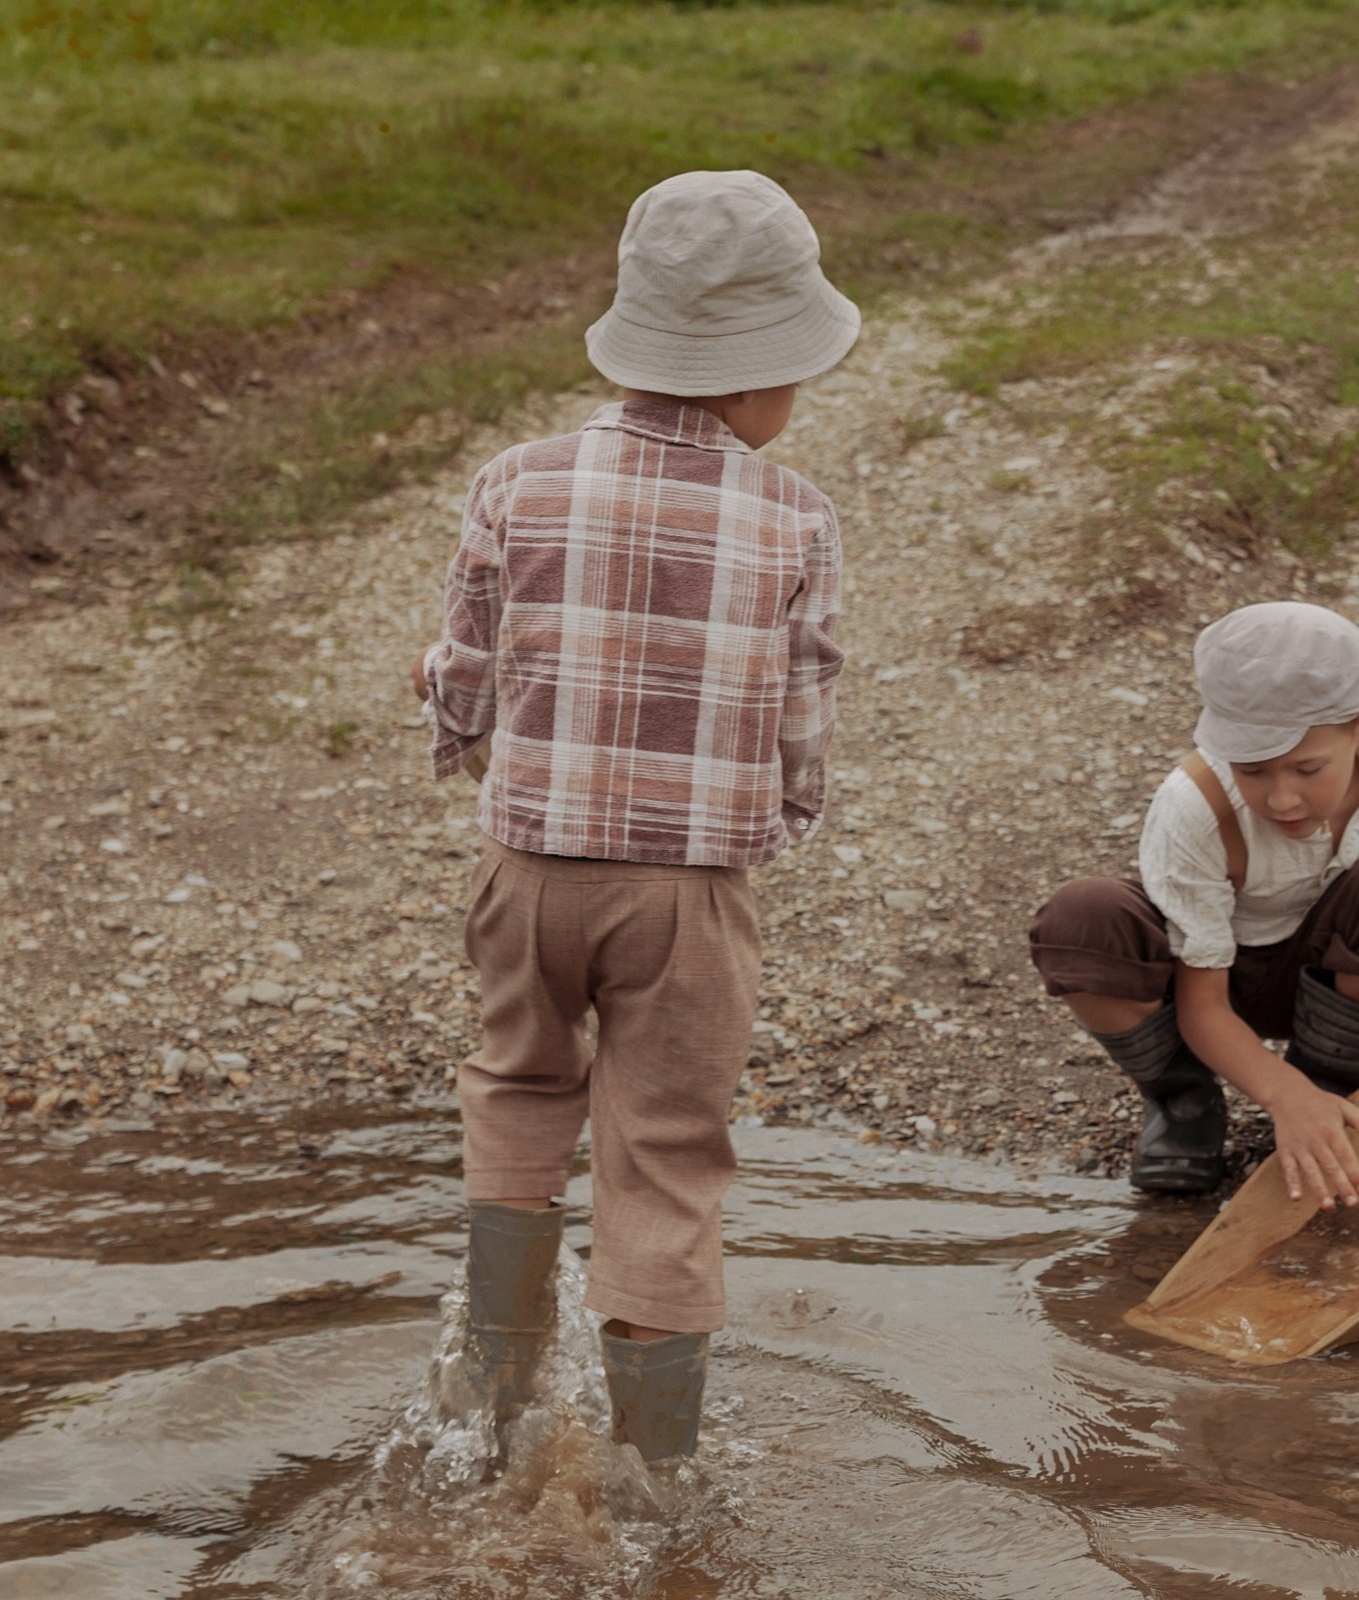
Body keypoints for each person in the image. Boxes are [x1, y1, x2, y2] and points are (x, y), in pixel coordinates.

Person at [408, 170, 857, 1465]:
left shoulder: (517, 479)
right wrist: (772, 828)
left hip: (527, 863)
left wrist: (458, 738)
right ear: (755, 369)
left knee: (514, 1088)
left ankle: (488, 1418)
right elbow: (803, 708)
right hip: (686, 894)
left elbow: (468, 662)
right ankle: (659, 1487)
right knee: (662, 1155)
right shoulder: (797, 518)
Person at [1028, 602, 1359, 1204]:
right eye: (1253, 771)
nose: (1282, 798)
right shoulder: (1193, 808)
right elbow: (1202, 1005)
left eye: (1308, 768)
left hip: (1330, 976)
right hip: (1208, 985)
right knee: (1081, 917)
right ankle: (1183, 1103)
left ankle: (1327, 1084)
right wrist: (1279, 1097)